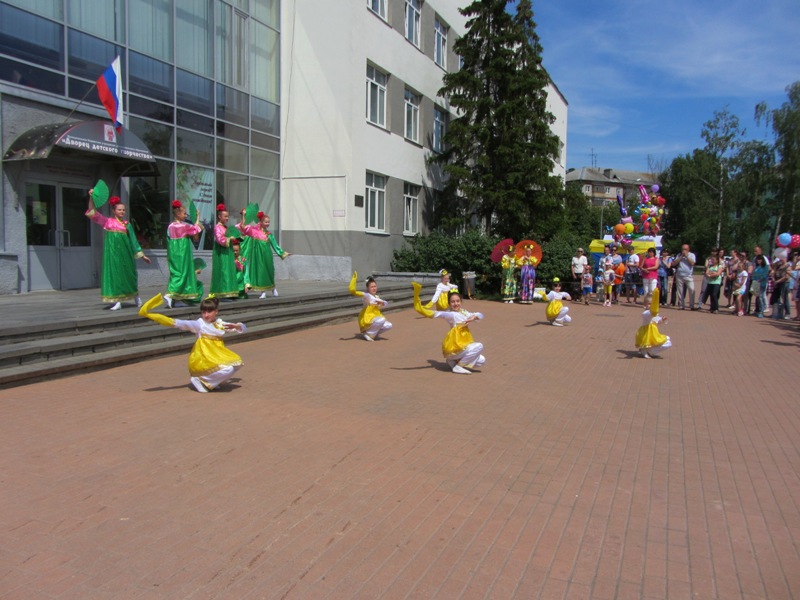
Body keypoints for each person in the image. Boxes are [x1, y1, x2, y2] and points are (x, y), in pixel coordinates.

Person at [139, 294, 245, 393]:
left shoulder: (219, 323)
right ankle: (200, 379)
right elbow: (179, 323)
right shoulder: (200, 324)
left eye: (209, 312)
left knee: (237, 365)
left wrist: (236, 326)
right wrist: (153, 316)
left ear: (216, 311)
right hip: (204, 357)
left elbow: (243, 328)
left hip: (217, 355)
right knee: (228, 369)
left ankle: (209, 382)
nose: (206, 315)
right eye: (203, 312)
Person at [85, 192, 151, 310]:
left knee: (129, 275)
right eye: (119, 210)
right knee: (115, 276)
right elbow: (92, 213)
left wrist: (142, 255)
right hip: (113, 256)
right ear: (113, 210)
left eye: (123, 210)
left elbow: (133, 241)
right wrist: (91, 198)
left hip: (126, 255)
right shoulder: (108, 222)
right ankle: (118, 301)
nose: (122, 212)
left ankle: (136, 296)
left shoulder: (127, 225)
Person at [413, 283, 485, 375]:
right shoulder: (451, 314)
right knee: (479, 346)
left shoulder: (464, 312)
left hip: (464, 345)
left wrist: (473, 317)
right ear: (449, 303)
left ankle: (453, 362)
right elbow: (435, 313)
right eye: (453, 302)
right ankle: (458, 366)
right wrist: (420, 308)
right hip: (455, 347)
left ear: (461, 301)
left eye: (457, 301)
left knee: (482, 360)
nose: (456, 304)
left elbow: (481, 315)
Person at [237, 210, 291, 298]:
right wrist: (243, 215)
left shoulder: (269, 235)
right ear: (261, 222)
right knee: (261, 273)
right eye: (266, 222)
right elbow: (242, 227)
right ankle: (263, 292)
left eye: (268, 222)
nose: (267, 224)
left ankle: (273, 288)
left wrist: (283, 253)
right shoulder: (254, 231)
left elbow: (275, 246)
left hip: (267, 256)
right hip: (258, 257)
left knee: (269, 271)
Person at [164, 200, 203, 309]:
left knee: (176, 272)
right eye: (184, 213)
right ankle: (170, 294)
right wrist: (198, 217)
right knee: (182, 273)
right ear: (177, 214)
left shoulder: (170, 226)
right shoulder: (183, 226)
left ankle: (178, 299)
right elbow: (196, 229)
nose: (185, 215)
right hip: (182, 253)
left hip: (173, 253)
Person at [349, 272, 392, 341]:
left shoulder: (377, 297)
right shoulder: (367, 296)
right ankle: (369, 333)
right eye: (372, 287)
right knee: (382, 320)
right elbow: (353, 291)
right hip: (367, 318)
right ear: (368, 288)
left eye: (375, 286)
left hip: (374, 317)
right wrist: (354, 279)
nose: (374, 288)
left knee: (389, 326)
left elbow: (386, 304)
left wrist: (382, 302)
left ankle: (373, 333)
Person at [210, 204, 239, 299]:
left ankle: (230, 291)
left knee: (229, 270)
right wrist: (229, 238)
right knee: (223, 271)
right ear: (219, 216)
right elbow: (220, 239)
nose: (227, 218)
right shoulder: (217, 227)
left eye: (227, 216)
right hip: (221, 252)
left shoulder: (226, 227)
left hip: (228, 252)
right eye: (225, 216)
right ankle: (222, 293)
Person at [635, 289, 671, 359]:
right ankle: (645, 350)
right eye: (649, 303)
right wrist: (653, 312)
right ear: (645, 305)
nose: (650, 305)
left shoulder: (655, 313)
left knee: (668, 341)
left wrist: (662, 320)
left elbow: (657, 321)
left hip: (654, 333)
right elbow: (650, 314)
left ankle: (650, 351)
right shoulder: (645, 313)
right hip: (646, 333)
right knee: (648, 343)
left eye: (652, 303)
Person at [672, 244, 696, 310]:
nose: (684, 250)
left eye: (685, 249)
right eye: (683, 249)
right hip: (679, 275)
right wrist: (681, 256)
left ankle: (692, 305)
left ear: (688, 249)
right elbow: (674, 263)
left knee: (692, 289)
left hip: (688, 275)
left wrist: (687, 256)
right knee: (680, 291)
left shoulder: (692, 255)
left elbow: (692, 263)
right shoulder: (679, 255)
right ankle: (681, 305)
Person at [770, 251, 791, 320]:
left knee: (785, 298)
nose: (781, 259)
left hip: (784, 283)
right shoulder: (778, 265)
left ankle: (787, 313)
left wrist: (777, 281)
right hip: (777, 283)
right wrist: (773, 278)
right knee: (776, 298)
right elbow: (773, 270)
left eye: (783, 258)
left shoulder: (788, 266)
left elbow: (786, 277)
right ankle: (776, 313)